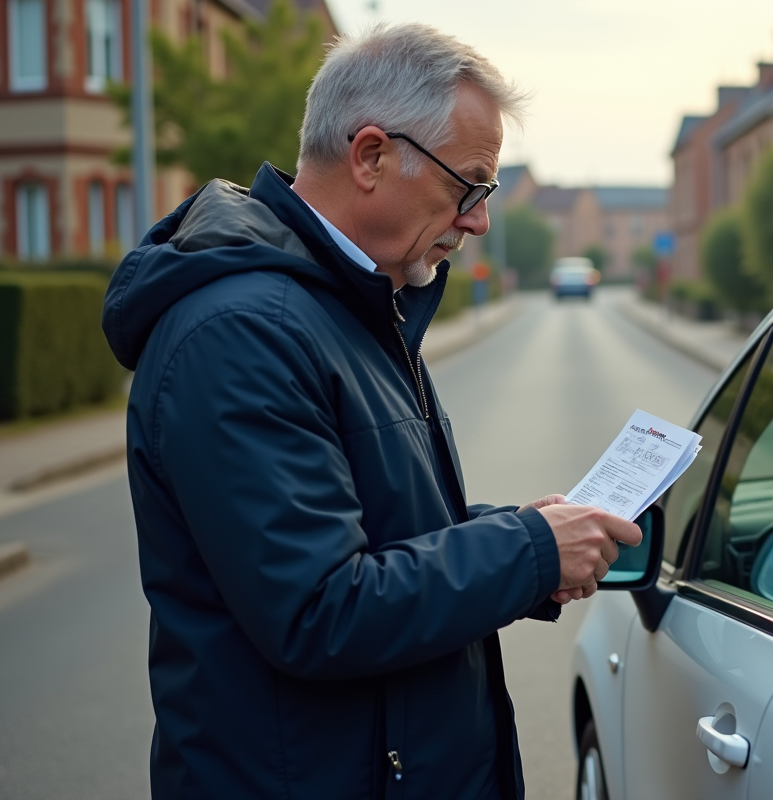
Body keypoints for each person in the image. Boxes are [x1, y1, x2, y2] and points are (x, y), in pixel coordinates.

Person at [101, 23, 641, 800]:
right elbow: (317, 608)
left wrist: (520, 536)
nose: (480, 219)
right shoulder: (243, 334)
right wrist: (525, 550)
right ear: (372, 156)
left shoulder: (347, 307)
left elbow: (374, 532)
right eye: (471, 186)